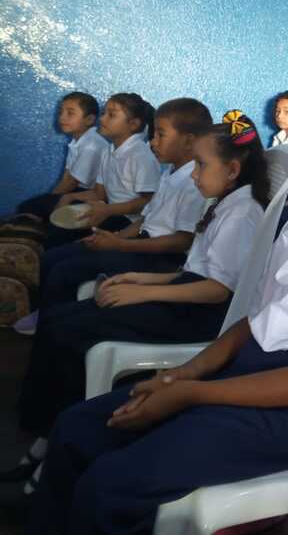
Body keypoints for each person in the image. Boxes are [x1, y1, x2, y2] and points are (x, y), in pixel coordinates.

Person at [24, 99, 288, 535]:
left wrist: (189, 394)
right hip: (243, 375)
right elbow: (252, 323)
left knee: (110, 486)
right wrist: (179, 376)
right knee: (77, 428)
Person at [11, 115, 269, 498]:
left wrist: (144, 294)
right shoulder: (225, 203)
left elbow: (216, 290)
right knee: (60, 319)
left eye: (201, 165)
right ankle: (45, 436)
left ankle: (51, 451)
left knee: (71, 332)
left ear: (232, 170)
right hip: (186, 297)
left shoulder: (243, 213)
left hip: (199, 318)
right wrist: (139, 279)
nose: (194, 174)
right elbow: (192, 271)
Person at [12, 98, 212, 336]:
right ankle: (48, 314)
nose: (152, 141)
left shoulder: (193, 182)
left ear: (188, 141)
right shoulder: (170, 173)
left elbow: (181, 241)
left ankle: (50, 320)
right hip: (139, 241)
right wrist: (113, 238)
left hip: (160, 257)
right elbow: (146, 220)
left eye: (160, 135)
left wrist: (120, 244)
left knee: (63, 269)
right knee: (56, 255)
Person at [46, 93, 161, 247]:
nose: (102, 119)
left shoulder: (141, 155)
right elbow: (99, 194)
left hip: (130, 222)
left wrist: (107, 210)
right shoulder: (108, 151)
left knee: (61, 242)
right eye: (103, 113)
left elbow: (147, 203)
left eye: (111, 115)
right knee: (56, 228)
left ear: (133, 124)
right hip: (109, 212)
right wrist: (68, 197)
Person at [16, 92, 107, 221]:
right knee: (31, 208)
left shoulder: (91, 145)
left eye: (70, 113)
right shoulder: (77, 141)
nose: (62, 118)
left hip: (93, 197)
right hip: (79, 191)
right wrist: (49, 200)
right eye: (61, 112)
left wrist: (49, 201)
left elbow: (71, 183)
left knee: (31, 208)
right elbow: (67, 176)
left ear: (89, 120)